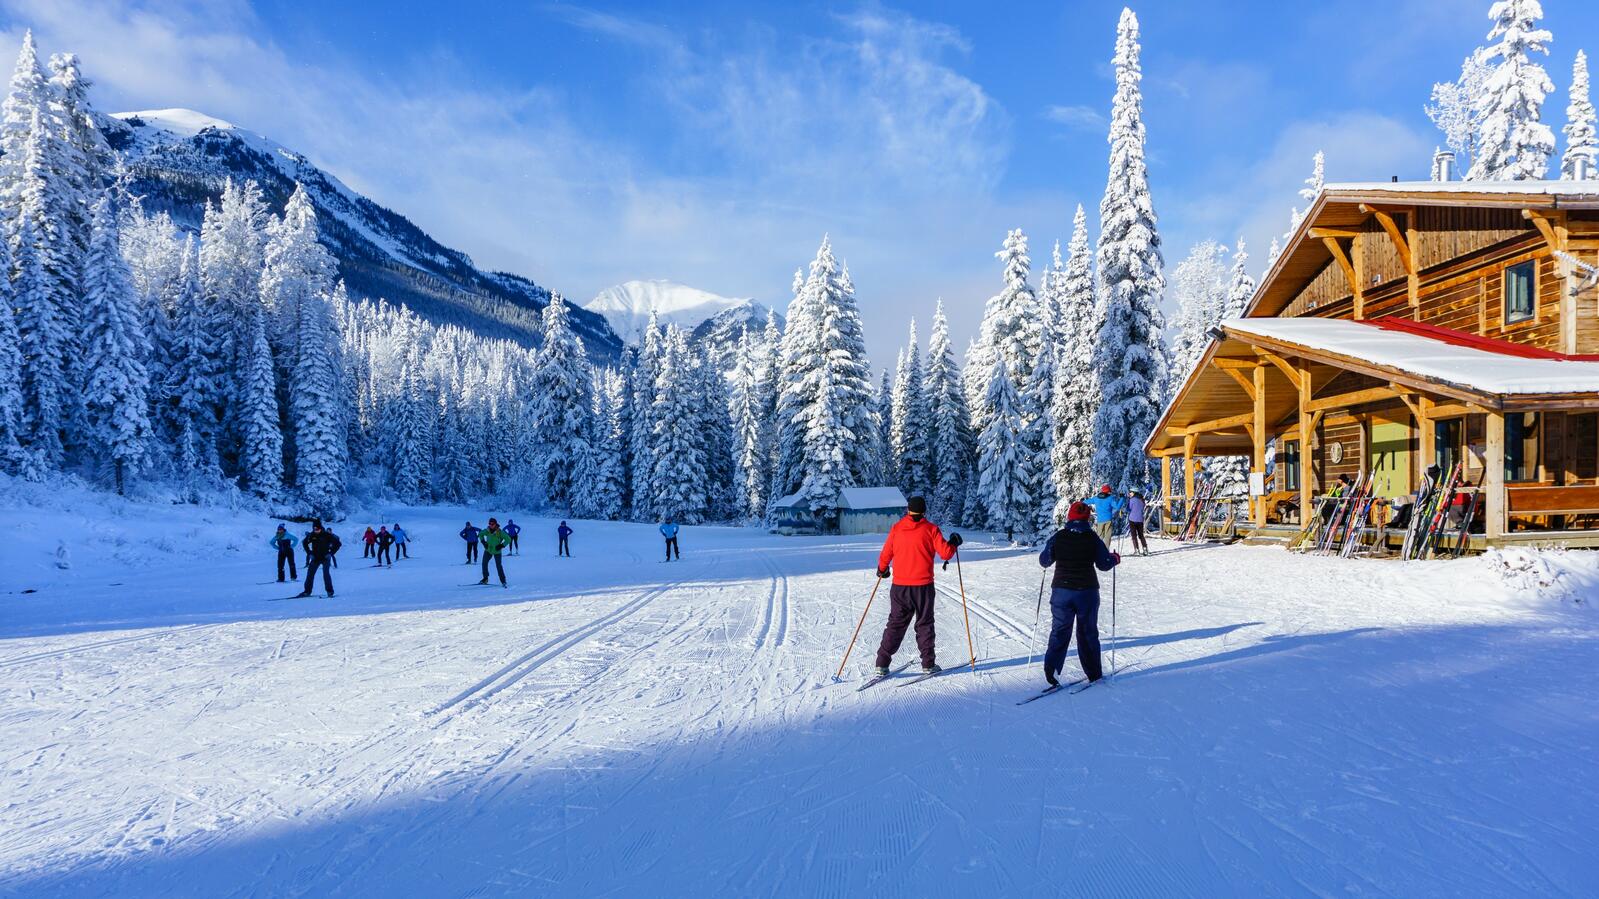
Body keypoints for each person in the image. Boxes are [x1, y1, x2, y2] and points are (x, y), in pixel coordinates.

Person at [873, 496, 961, 676]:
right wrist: (953, 542)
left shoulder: (897, 529)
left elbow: (886, 553)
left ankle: (882, 663)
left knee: (896, 625)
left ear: (908, 510)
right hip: (923, 587)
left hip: (900, 587)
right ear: (924, 511)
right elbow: (945, 553)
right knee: (925, 624)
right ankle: (928, 664)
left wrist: (882, 569)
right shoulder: (931, 529)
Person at [1037, 501, 1121, 686]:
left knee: (1059, 631)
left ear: (1070, 517)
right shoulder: (1092, 538)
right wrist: (1114, 558)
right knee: (1087, 632)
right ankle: (1094, 673)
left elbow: (1044, 561)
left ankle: (1052, 671)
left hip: (1061, 592)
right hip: (1087, 592)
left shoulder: (1059, 537)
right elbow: (1103, 564)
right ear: (1087, 519)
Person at [296, 520, 341, 598]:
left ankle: (330, 591)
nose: (316, 531)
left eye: (317, 529)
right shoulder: (312, 535)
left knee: (326, 574)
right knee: (310, 574)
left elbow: (338, 544)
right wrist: (309, 553)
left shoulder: (327, 535)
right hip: (315, 557)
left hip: (325, 557)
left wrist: (331, 553)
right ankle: (307, 591)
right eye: (314, 529)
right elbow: (304, 543)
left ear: (321, 528)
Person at [478, 517, 510, 586]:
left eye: (492, 524)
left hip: (497, 552)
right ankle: (485, 579)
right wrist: (483, 542)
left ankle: (503, 581)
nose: (491, 525)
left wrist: (501, 545)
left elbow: (508, 539)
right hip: (488, 550)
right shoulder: (487, 531)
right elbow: (480, 534)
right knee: (484, 563)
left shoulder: (500, 532)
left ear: (495, 524)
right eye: (489, 523)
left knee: (498, 566)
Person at [1126, 489, 1150, 556]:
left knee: (1134, 535)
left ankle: (1137, 550)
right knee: (1141, 535)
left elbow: (1128, 509)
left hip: (1132, 519)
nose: (1129, 493)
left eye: (1130, 492)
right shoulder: (1142, 500)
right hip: (1140, 519)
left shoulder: (1132, 500)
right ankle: (1145, 549)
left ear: (1134, 492)